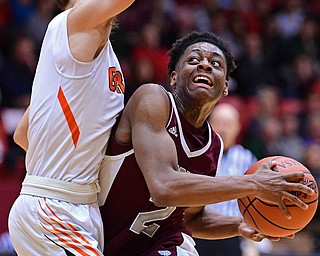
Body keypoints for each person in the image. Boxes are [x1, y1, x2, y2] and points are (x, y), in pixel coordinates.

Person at [97, 31, 314, 255]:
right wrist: (255, 184)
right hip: (100, 237)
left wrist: (239, 225)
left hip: (160, 245)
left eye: (215, 63)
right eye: (193, 60)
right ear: (173, 77)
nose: (205, 65)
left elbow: (190, 219)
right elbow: (163, 186)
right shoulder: (153, 99)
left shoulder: (213, 146)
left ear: (226, 87)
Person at [8, 0, 135, 255]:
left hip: (79, 203)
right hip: (54, 206)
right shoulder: (73, 22)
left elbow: (23, 133)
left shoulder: (83, 53)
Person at [194, 102, 259, 256]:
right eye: (219, 123)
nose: (223, 129)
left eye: (228, 124)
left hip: (232, 234)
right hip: (198, 231)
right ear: (209, 125)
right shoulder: (195, 153)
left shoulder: (247, 158)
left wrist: (251, 244)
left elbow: (256, 202)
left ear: (238, 128)